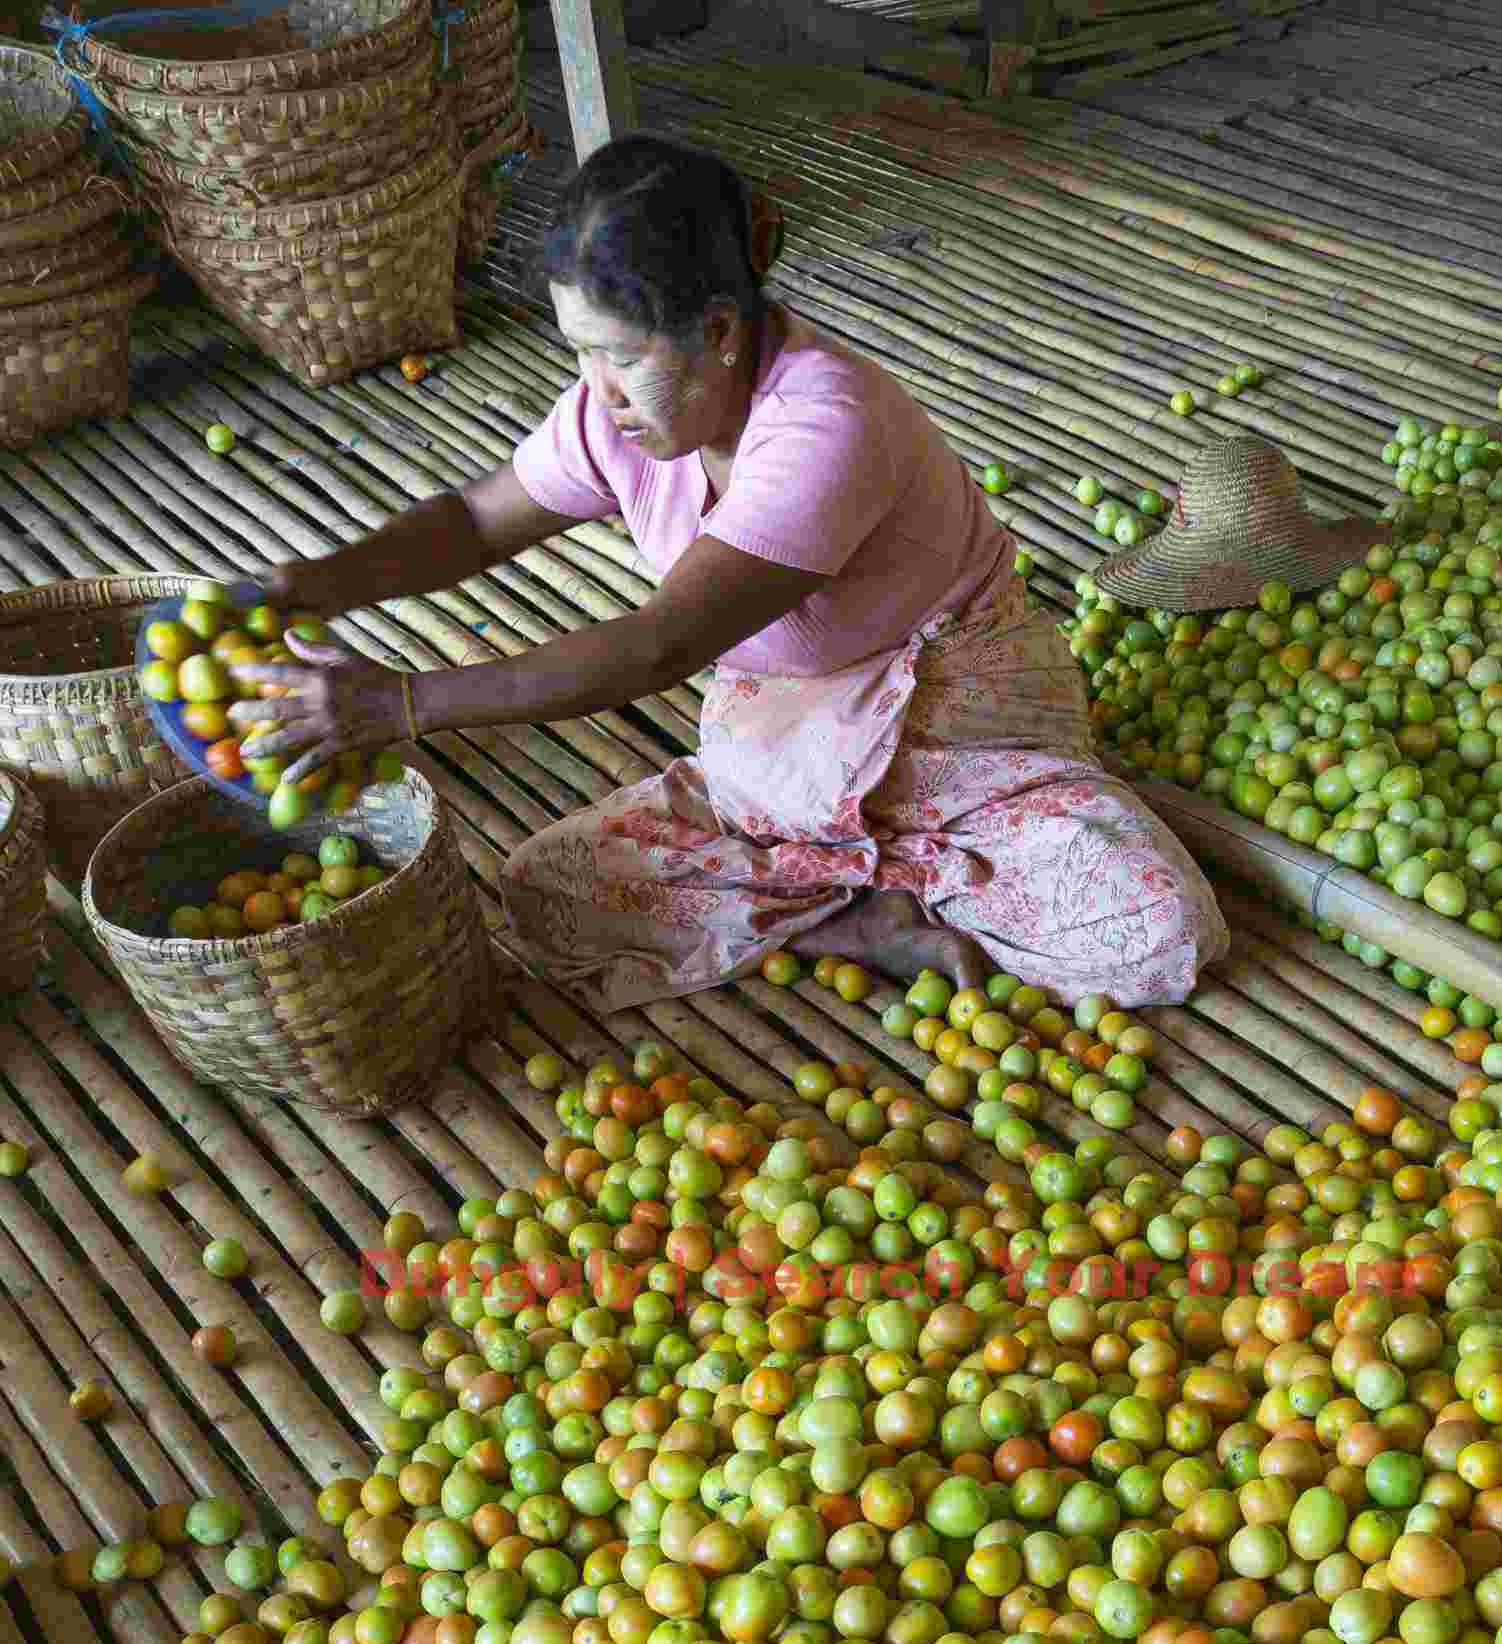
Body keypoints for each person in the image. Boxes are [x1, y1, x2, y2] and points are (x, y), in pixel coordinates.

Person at [246, 134, 1227, 1009]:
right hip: (785, 744)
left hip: (956, 722)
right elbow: (471, 521)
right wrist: (317, 582)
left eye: (620, 358)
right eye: (579, 355)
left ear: (718, 331)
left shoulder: (826, 425)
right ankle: (857, 911)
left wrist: (404, 704)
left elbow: (659, 643)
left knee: (1157, 929)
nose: (598, 395)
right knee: (551, 891)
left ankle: (863, 876)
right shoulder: (614, 412)